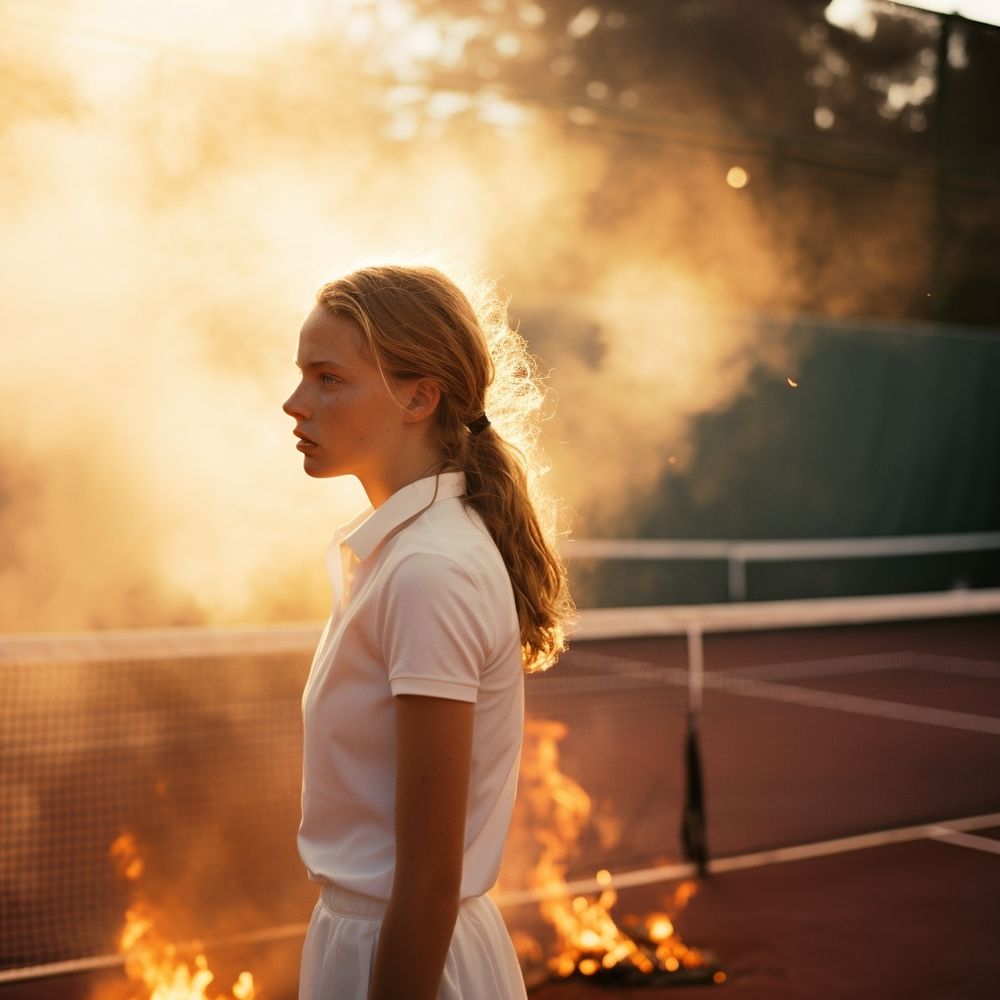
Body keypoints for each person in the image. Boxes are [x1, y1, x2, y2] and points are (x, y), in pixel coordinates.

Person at [282, 264, 575, 1000]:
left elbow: (429, 884)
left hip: (410, 959)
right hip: (373, 941)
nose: (294, 403)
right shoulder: (405, 554)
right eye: (301, 376)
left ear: (421, 396)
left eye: (328, 378)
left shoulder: (429, 570)